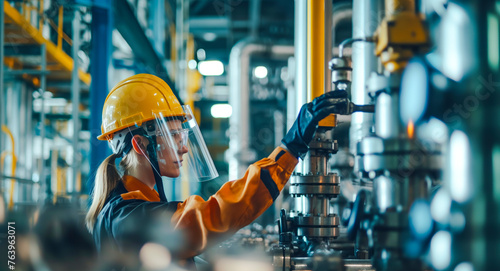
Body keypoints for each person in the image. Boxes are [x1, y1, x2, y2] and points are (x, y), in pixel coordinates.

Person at [86, 73, 347, 259]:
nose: (184, 147)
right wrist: (289, 150)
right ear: (141, 144)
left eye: (184, 136)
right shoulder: (127, 218)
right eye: (174, 135)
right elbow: (211, 216)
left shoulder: (132, 206)